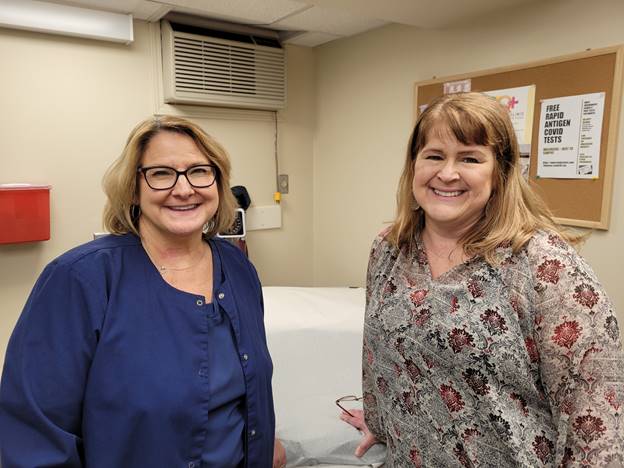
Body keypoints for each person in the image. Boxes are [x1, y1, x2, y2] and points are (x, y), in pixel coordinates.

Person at [341, 92, 624, 466]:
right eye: (434, 156)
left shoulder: (543, 264)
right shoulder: (391, 248)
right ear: (414, 165)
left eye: (470, 158)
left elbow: (596, 419)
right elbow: (376, 353)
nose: (447, 173)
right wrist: (382, 420)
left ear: (501, 172)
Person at [0, 115, 285, 467]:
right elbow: (34, 438)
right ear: (133, 188)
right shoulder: (80, 281)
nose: (184, 189)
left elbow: (247, 392)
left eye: (199, 171)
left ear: (218, 181)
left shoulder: (237, 268)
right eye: (161, 173)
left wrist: (265, 439)